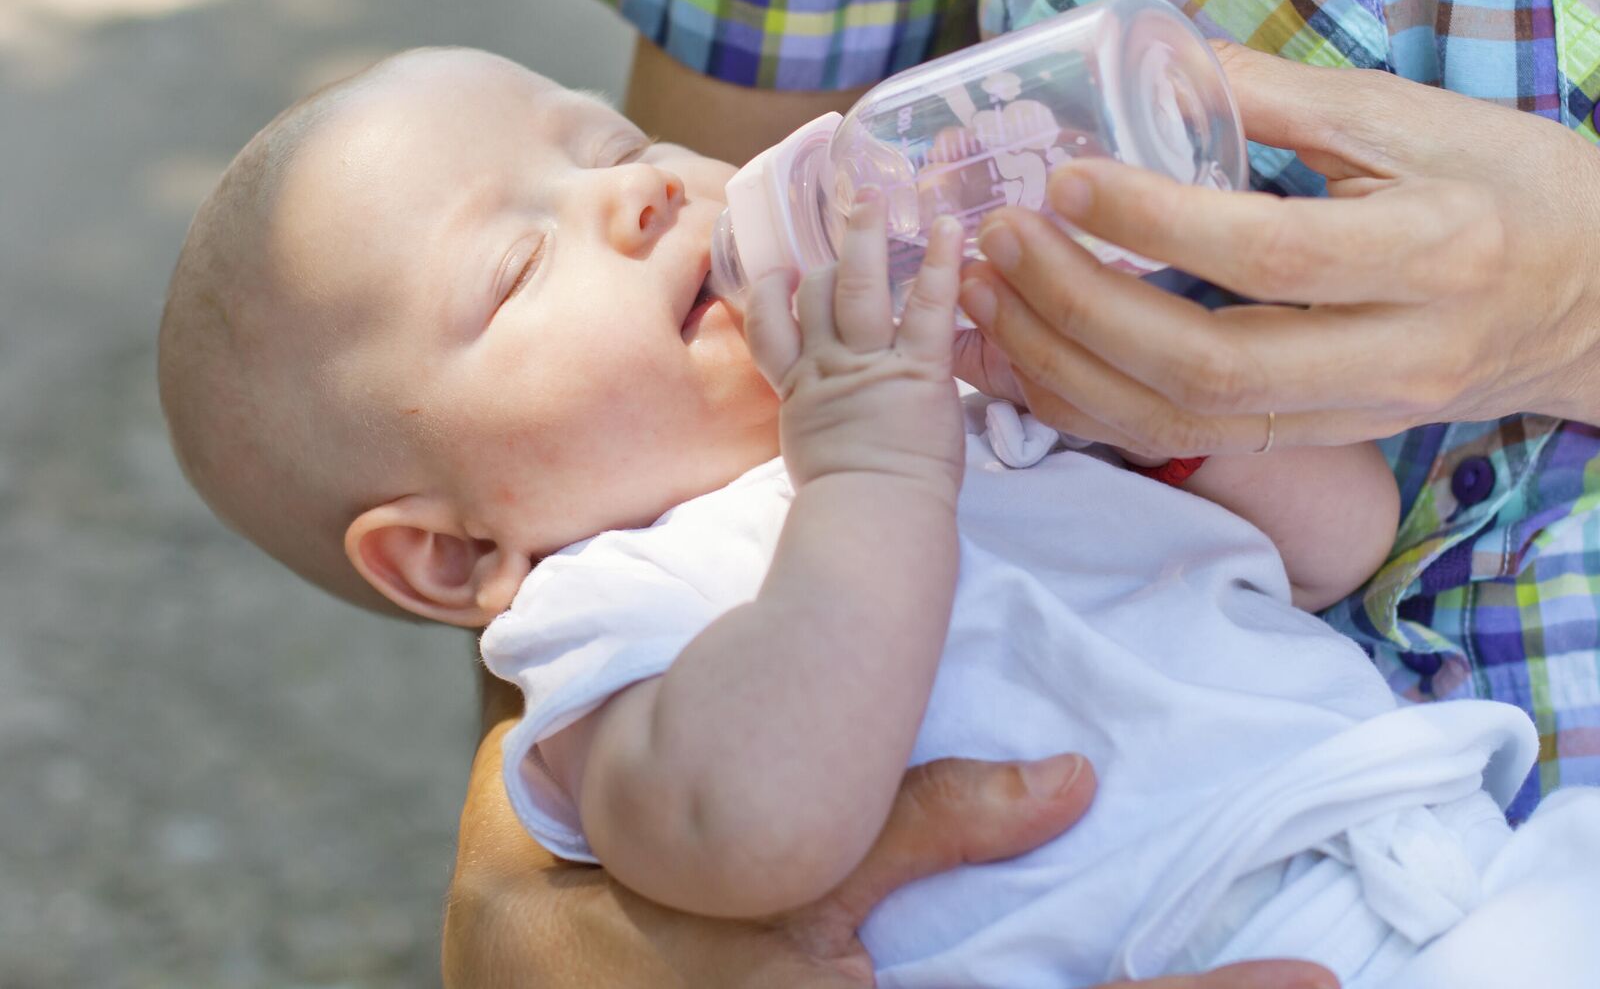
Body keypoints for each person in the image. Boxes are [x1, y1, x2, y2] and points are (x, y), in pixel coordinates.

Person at [158, 48, 1600, 987]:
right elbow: (754, 828)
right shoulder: (619, 616)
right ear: (457, 550)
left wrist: (1136, 419)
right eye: (521, 261)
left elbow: (1337, 545)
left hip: (1478, 859)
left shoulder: (967, 409)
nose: (643, 193)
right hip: (1206, 943)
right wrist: (871, 468)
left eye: (609, 145)